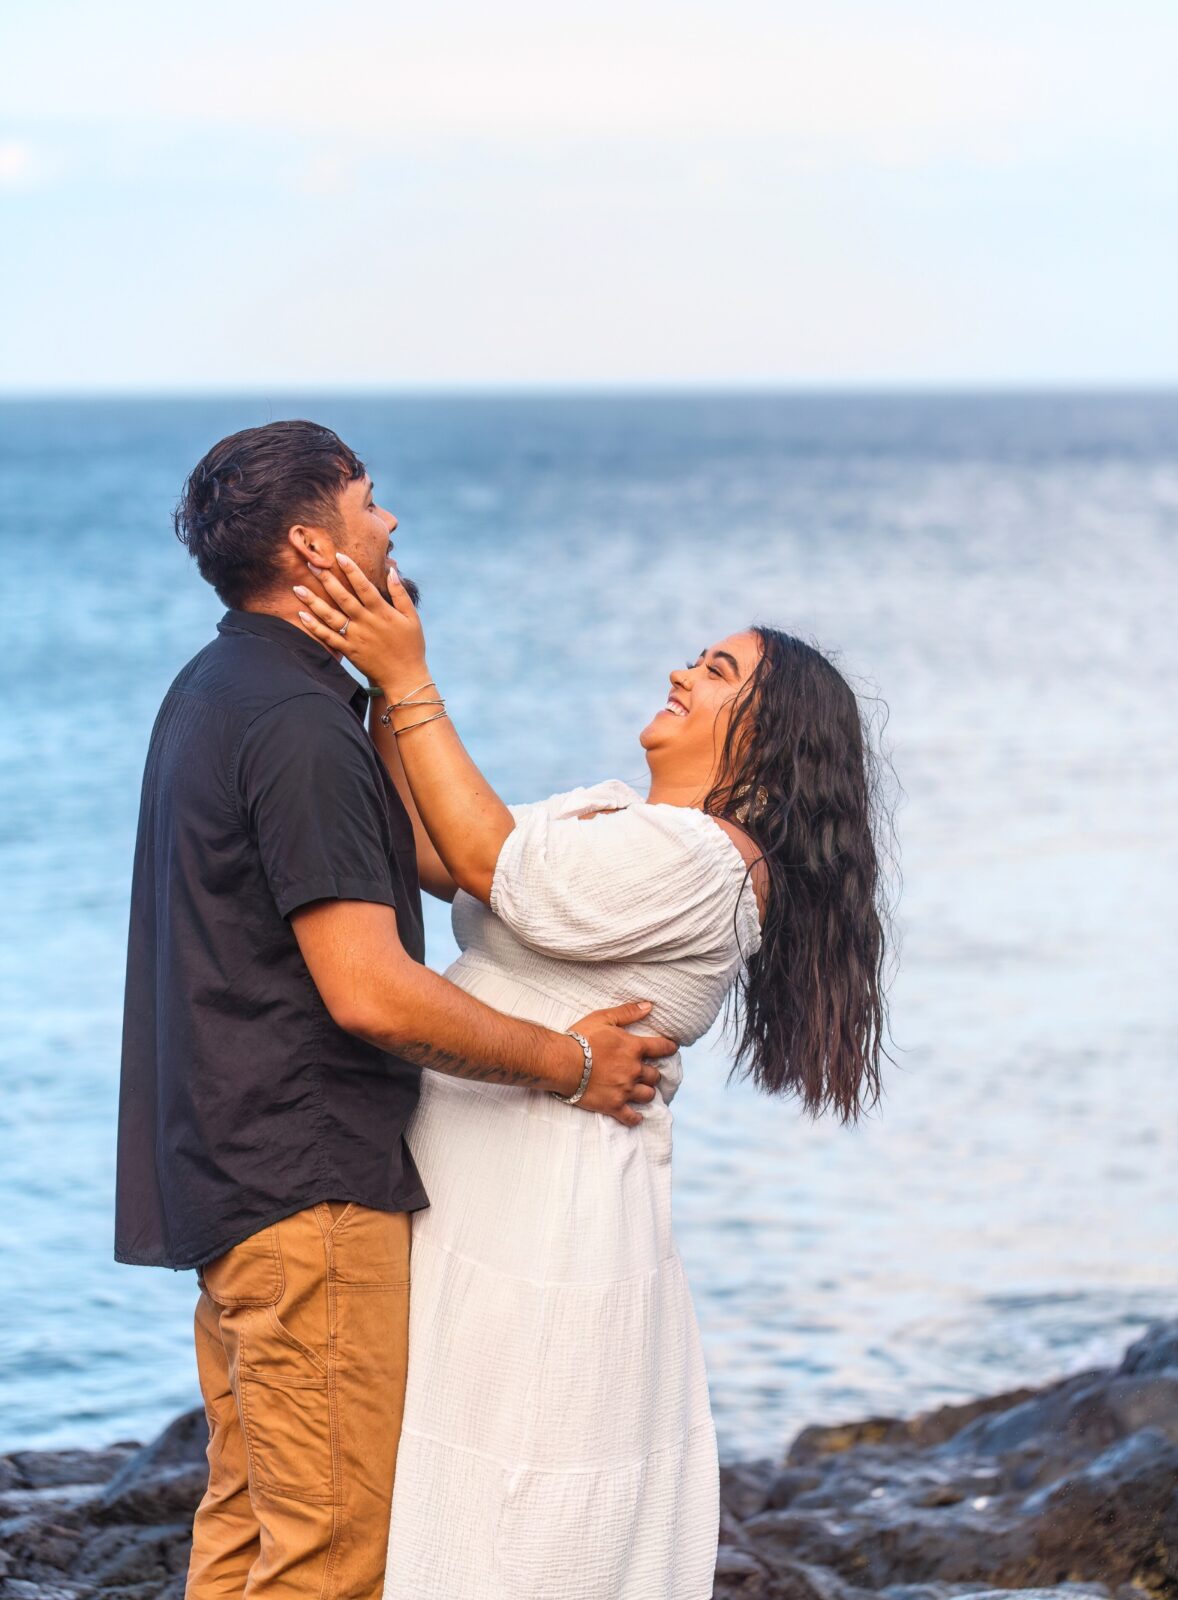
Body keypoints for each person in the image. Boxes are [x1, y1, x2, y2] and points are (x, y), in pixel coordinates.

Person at [115, 420, 677, 1600]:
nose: (394, 521)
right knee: (332, 1559)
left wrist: (398, 693)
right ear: (316, 543)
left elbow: (437, 862)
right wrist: (566, 1062)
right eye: (372, 503)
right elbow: (368, 989)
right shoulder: (293, 724)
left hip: (233, 1178)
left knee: (247, 1528)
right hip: (308, 1189)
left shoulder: (230, 688)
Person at [293, 552, 893, 1599]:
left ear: (763, 737)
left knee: (520, 1507)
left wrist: (407, 679)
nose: (679, 673)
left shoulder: (710, 861)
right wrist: (384, 677)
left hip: (545, 1217)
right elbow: (439, 853)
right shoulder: (613, 815)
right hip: (482, 1192)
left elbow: (493, 870)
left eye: (714, 671)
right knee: (450, 1485)